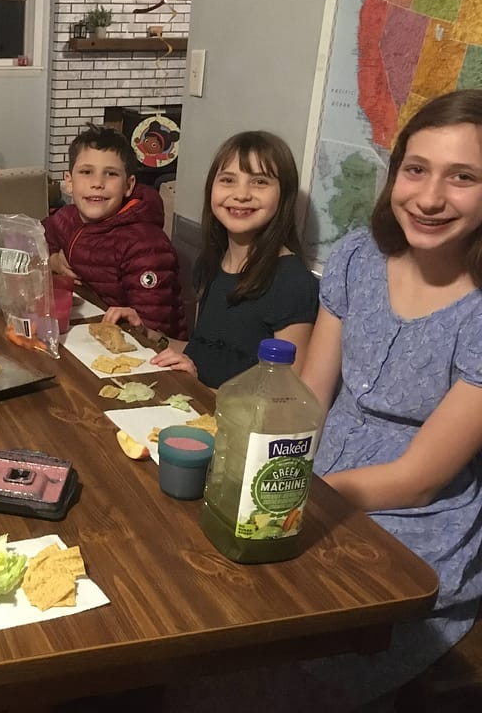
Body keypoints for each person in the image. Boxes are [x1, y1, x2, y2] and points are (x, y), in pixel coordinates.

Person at [295, 88, 482, 706]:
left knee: (291, 656)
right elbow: (309, 396)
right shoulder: (357, 255)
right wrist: (266, 462)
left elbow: (420, 479)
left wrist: (299, 499)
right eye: (416, 169)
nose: (430, 198)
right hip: (315, 475)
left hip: (411, 520)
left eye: (463, 178)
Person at [134, 131, 318, 388]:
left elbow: (284, 397)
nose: (241, 194)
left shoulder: (293, 284)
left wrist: (200, 388)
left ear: (284, 195)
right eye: (228, 180)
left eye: (260, 182)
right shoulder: (212, 264)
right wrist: (149, 334)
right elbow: (208, 354)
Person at [43, 124, 186, 338]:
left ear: (128, 185)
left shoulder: (145, 245)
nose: (97, 183)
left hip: (143, 349)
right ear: (69, 182)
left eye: (110, 174)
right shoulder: (67, 217)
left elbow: (155, 327)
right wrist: (54, 260)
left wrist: (137, 326)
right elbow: (38, 238)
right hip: (89, 328)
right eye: (86, 172)